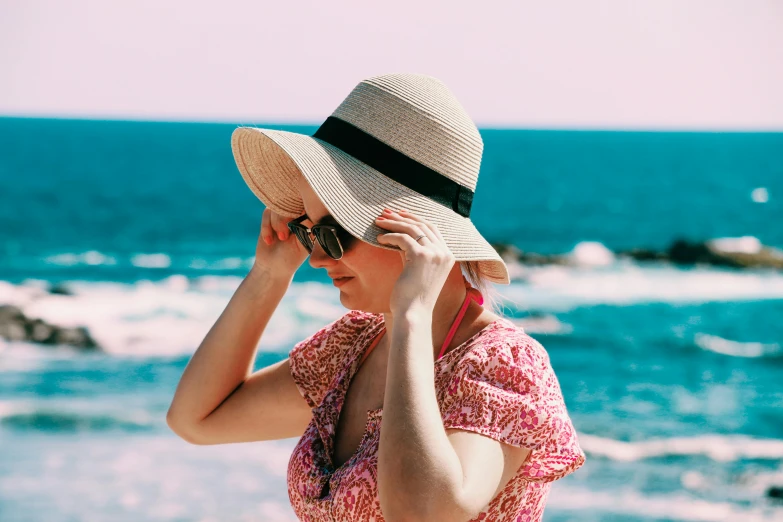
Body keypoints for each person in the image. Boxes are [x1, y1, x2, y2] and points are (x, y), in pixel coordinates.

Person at [167, 73, 584, 521]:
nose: (318, 259)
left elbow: (422, 513)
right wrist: (269, 274)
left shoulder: (504, 366)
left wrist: (411, 317)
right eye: (309, 231)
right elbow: (197, 419)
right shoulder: (355, 346)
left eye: (334, 231)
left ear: (420, 233)